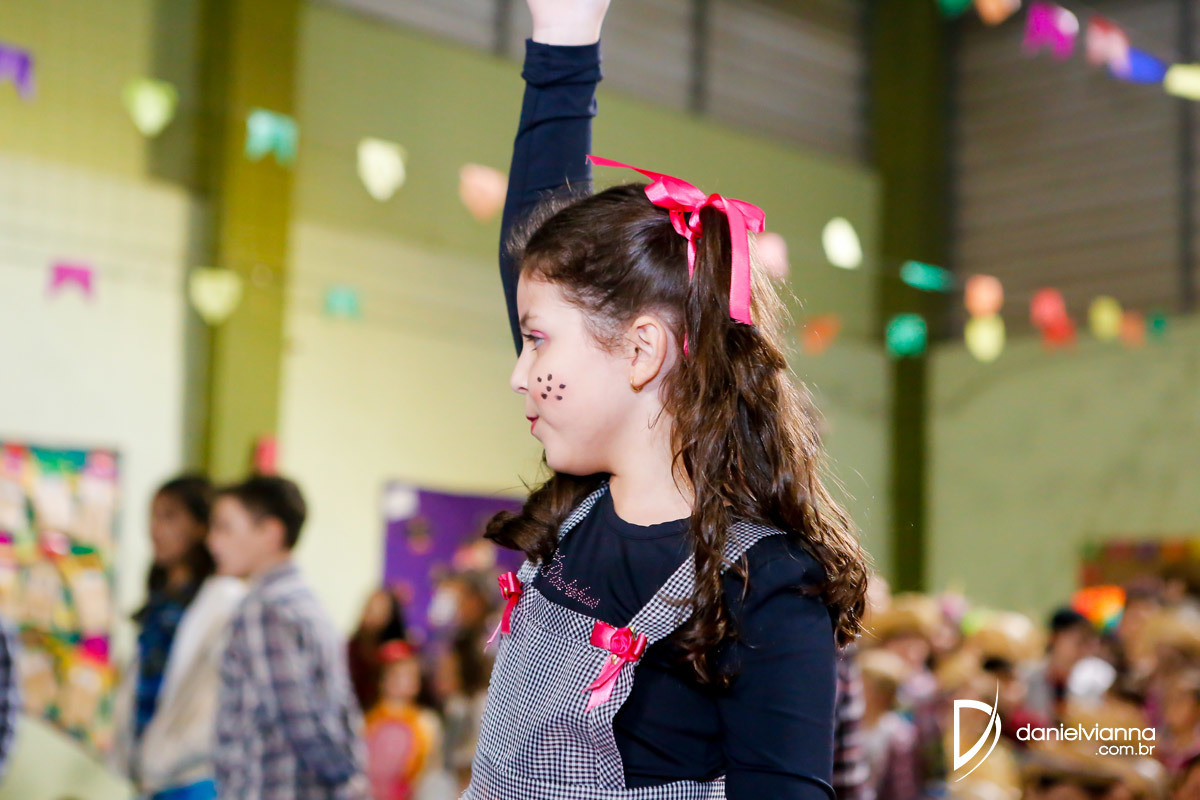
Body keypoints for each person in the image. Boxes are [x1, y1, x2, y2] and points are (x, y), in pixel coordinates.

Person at [462, 1, 871, 798]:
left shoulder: (768, 588)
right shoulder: (577, 509)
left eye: (537, 341)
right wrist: (563, 41)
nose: (519, 372)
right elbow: (537, 235)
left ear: (642, 352)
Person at [209, 476, 367, 800]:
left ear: (270, 533)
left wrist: (344, 778)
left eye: (225, 528)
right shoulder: (302, 597)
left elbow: (297, 716)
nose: (212, 542)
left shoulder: (264, 608)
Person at [113, 475, 246, 800]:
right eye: (153, 516)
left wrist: (172, 755)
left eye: (169, 516)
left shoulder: (223, 600)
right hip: (147, 772)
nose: (155, 529)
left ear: (201, 526)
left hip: (193, 775)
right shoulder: (160, 600)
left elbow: (214, 700)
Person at [364, 641, 443, 800]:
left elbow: (432, 770)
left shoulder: (426, 722)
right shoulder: (369, 721)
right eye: (395, 674)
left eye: (409, 674)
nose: (402, 681)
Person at [348, 589, 409, 712]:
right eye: (371, 608)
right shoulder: (351, 649)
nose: (373, 614)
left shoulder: (397, 651)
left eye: (380, 609)